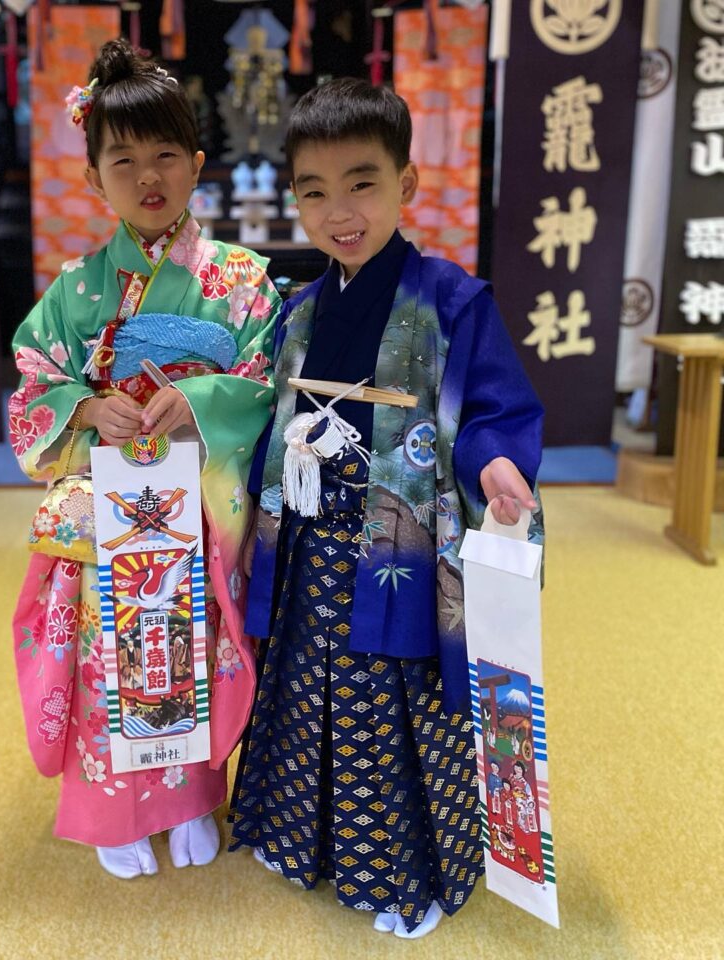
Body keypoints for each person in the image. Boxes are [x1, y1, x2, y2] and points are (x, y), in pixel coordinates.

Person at [228, 78, 544, 939]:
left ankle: (409, 875)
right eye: (315, 192)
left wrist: (497, 463)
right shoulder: (299, 312)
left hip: (396, 547)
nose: (340, 213)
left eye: (362, 183)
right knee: (304, 695)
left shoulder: (452, 302)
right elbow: (268, 426)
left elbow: (492, 409)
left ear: (406, 183)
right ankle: (303, 840)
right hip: (309, 541)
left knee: (390, 707)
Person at [10, 39, 279, 882]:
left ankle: (193, 800)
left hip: (196, 505)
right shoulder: (75, 289)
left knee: (190, 644)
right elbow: (33, 384)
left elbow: (266, 380)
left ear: (197, 163)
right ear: (94, 178)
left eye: (165, 154)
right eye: (122, 160)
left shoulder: (242, 280)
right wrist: (87, 406)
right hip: (109, 508)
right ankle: (111, 812)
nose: (147, 176)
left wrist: (201, 401)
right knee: (108, 655)